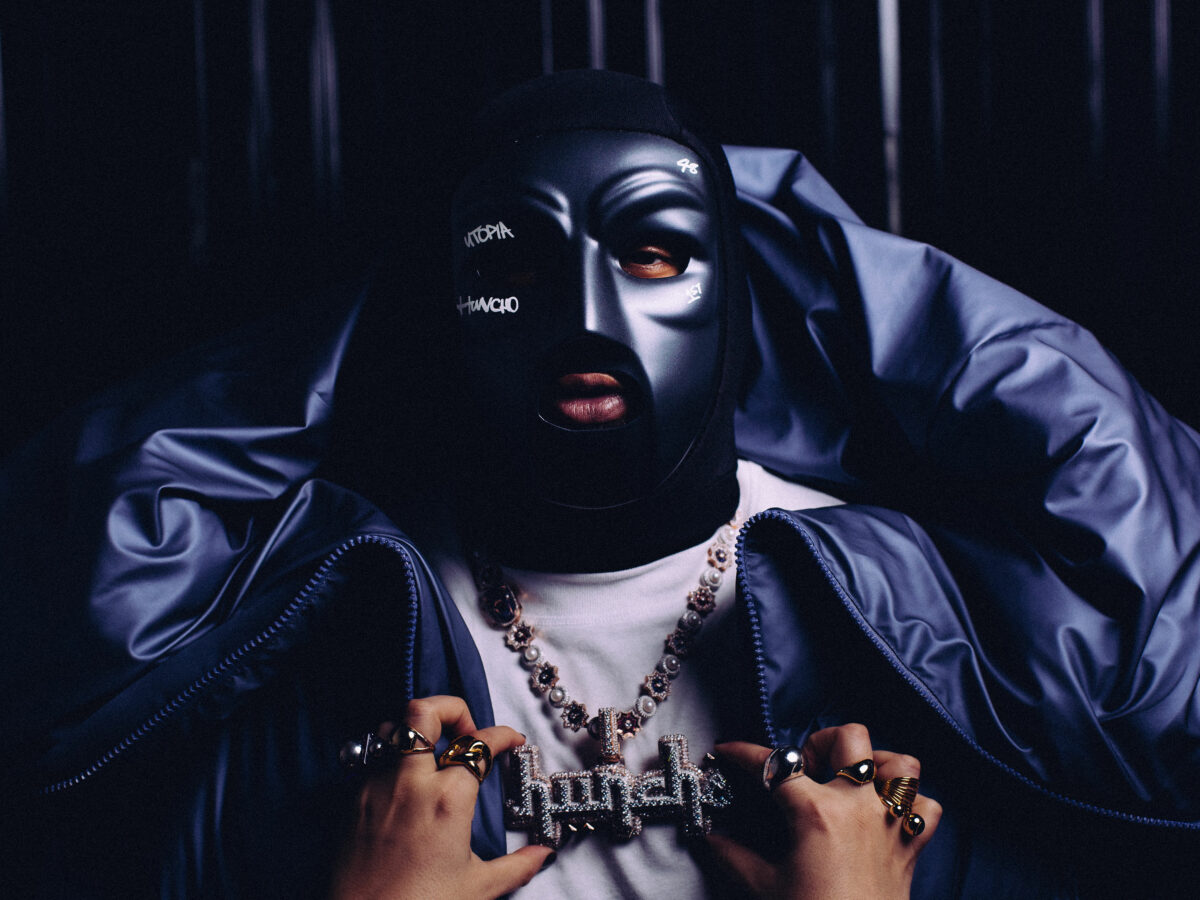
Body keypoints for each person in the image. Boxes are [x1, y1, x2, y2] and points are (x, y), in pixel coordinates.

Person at [3, 69, 1198, 898]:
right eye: (513, 257)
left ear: (738, 288)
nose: (585, 312)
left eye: (655, 250)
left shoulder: (913, 613)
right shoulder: (314, 617)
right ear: (439, 301)